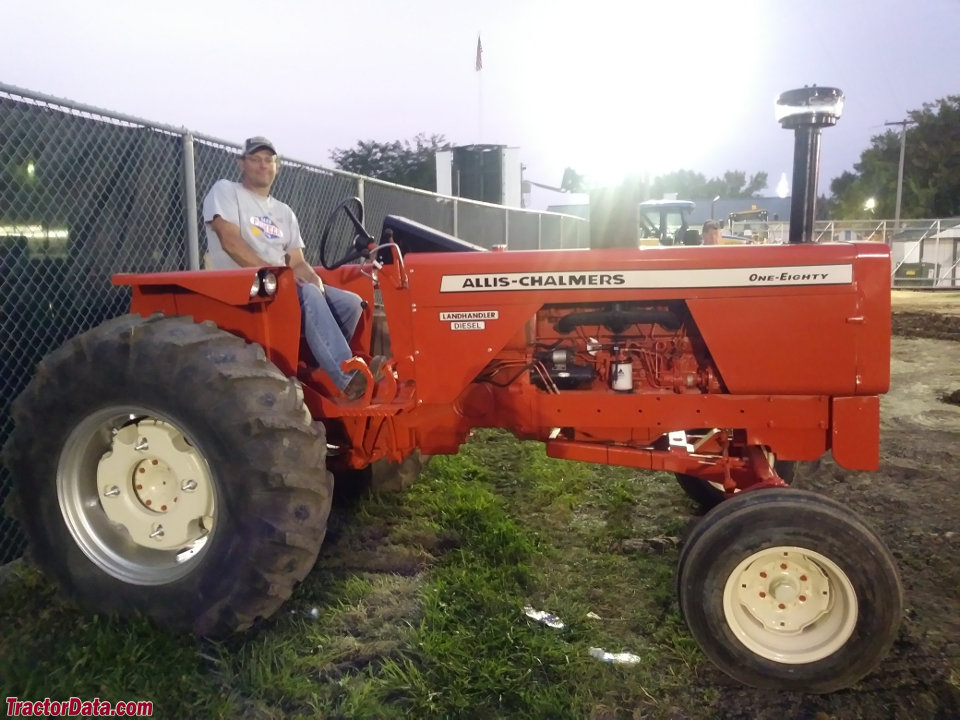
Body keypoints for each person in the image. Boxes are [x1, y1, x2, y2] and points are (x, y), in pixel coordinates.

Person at [202, 136, 381, 399]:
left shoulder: (284, 212)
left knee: (350, 303)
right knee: (307, 295)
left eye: (268, 160)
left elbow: (297, 262)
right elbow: (230, 242)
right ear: (241, 163)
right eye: (255, 159)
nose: (263, 165)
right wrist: (281, 277)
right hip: (246, 285)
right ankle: (348, 378)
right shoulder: (226, 191)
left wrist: (314, 281)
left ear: (277, 166)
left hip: (280, 283)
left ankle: (319, 369)